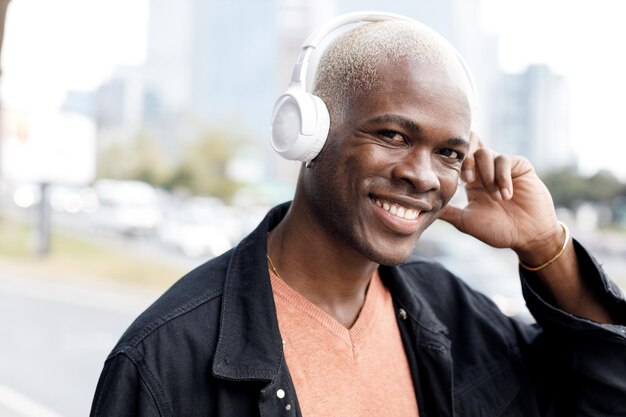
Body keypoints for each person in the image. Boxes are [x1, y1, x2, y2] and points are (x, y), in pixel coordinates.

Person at [90, 12, 626, 417]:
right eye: (393, 135)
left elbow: (599, 395)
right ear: (307, 133)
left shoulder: (453, 310)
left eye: (449, 154)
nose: (423, 175)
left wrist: (544, 247)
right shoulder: (162, 357)